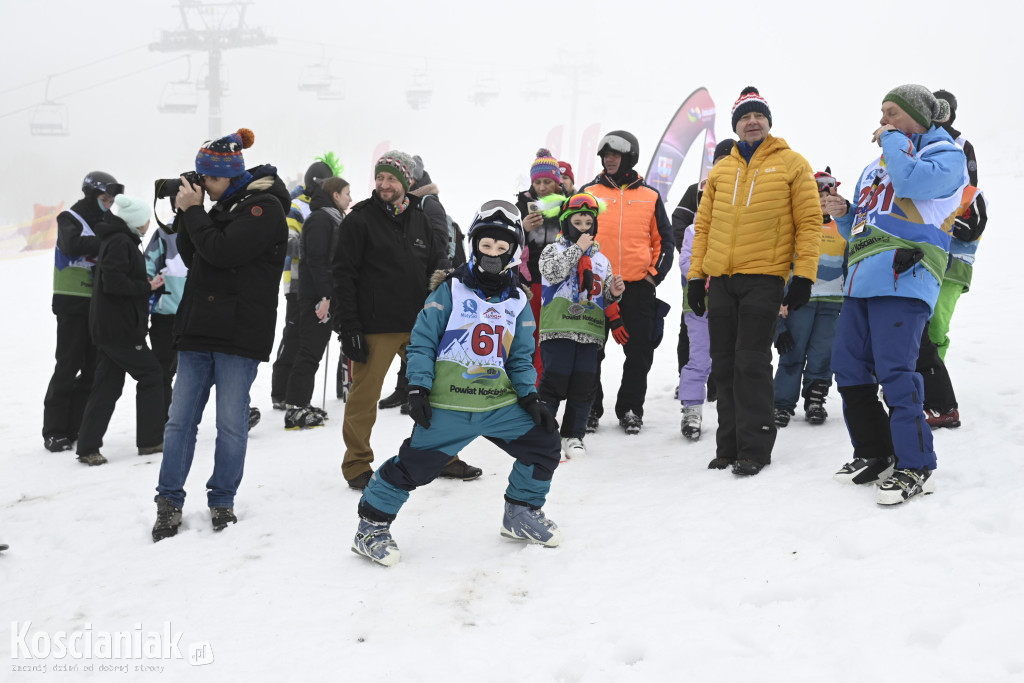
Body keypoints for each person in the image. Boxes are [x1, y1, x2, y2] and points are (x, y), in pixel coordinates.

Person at [351, 200, 562, 566]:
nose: (492, 253)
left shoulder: (518, 301)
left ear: (513, 251)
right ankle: (371, 527)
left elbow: (520, 357)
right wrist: (418, 387)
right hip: (450, 405)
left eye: (501, 247)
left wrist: (529, 397)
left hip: (498, 405)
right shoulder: (451, 290)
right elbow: (422, 341)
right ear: (475, 245)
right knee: (412, 468)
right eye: (486, 244)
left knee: (544, 444)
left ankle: (521, 512)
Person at [826, 85, 967, 505]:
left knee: (896, 371)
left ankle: (917, 465)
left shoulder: (945, 155)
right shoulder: (876, 165)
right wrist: (845, 214)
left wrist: (891, 140)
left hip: (906, 275)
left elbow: (911, 182)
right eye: (882, 113)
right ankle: (875, 451)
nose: (883, 120)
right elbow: (865, 223)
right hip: (862, 279)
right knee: (848, 367)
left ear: (917, 116)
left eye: (892, 112)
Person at [152, 128, 290, 541]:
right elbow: (195, 256)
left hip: (238, 334)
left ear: (227, 176)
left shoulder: (263, 208)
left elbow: (223, 252)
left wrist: (195, 211)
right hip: (199, 330)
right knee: (179, 423)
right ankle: (168, 502)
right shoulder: (220, 207)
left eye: (207, 178)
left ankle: (222, 500)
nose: (203, 186)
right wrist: (186, 213)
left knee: (230, 425)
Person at [687, 87, 821, 475]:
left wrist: (804, 275)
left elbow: (809, 223)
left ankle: (755, 448)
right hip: (721, 279)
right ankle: (728, 446)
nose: (752, 122)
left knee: (751, 361)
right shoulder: (720, 170)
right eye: (745, 116)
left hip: (764, 276)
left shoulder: (792, 163)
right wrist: (696, 277)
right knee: (724, 363)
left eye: (758, 115)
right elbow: (703, 227)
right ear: (735, 125)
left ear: (768, 122)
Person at [333, 150, 481, 491]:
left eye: (391, 178)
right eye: (380, 177)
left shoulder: (421, 219)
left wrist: (441, 315)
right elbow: (343, 275)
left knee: (438, 391)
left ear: (406, 181)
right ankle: (357, 464)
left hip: (418, 325)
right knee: (364, 398)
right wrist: (349, 327)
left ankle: (443, 457)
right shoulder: (360, 220)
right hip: (375, 326)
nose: (384, 184)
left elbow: (436, 269)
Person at [581, 130, 674, 434]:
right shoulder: (589, 192)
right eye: (605, 155)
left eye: (615, 155)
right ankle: (589, 408)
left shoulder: (650, 196)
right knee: (590, 351)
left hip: (636, 288)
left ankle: (631, 409)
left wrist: (652, 277)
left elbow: (664, 242)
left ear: (629, 157)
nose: (609, 160)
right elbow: (571, 234)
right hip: (595, 288)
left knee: (639, 353)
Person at [75, 195, 165, 465]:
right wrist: (145, 287)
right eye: (145, 220)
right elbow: (113, 282)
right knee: (152, 375)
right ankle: (151, 441)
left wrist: (142, 283)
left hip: (111, 326)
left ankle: (88, 447)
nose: (148, 224)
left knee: (107, 387)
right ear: (135, 222)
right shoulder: (120, 242)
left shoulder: (119, 240)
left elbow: (115, 278)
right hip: (120, 328)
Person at [919, 89, 988, 429]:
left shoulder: (963, 152)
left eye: (946, 109)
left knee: (936, 327)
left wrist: (947, 219)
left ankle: (935, 393)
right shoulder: (917, 145)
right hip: (922, 259)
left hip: (953, 263)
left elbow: (972, 220)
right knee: (916, 324)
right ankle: (919, 385)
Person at [537, 192, 625, 459]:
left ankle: (574, 435)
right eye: (577, 223)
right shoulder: (553, 250)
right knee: (554, 381)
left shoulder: (602, 260)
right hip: (558, 328)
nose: (584, 228)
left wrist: (614, 292)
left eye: (588, 223)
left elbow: (603, 297)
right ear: (566, 223)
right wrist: (577, 249)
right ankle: (542, 434)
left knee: (585, 385)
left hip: (589, 331)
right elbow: (552, 273)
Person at [42, 171, 123, 453]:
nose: (108, 204)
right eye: (104, 199)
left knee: (91, 370)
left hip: (98, 305)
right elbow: (72, 244)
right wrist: (108, 238)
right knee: (67, 366)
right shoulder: (70, 218)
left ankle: (74, 426)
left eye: (111, 200)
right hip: (72, 302)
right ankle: (54, 431)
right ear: (90, 195)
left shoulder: (108, 221)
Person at [378, 154, 456, 412]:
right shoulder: (402, 202)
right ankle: (403, 389)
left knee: (419, 336)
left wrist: (433, 278)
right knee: (408, 336)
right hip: (403, 281)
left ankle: (416, 390)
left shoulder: (428, 202)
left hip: (425, 280)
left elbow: (440, 242)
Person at [773, 169, 847, 427]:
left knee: (822, 354)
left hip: (833, 302)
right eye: (818, 196)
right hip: (799, 300)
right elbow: (782, 264)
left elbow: (850, 263)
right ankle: (782, 404)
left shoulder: (843, 226)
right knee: (792, 352)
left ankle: (815, 400)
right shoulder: (797, 225)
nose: (824, 201)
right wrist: (780, 300)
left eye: (828, 196)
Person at [283, 175, 351, 429]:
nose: (350, 199)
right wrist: (324, 297)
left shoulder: (330, 217)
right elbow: (316, 260)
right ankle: (294, 408)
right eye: (347, 193)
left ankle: (302, 401)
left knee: (313, 350)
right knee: (309, 351)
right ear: (335, 195)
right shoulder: (320, 219)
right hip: (316, 296)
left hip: (324, 294)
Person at [271, 156, 338, 409]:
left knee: (307, 339)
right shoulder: (297, 206)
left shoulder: (325, 207)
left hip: (315, 282)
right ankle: (280, 392)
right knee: (294, 336)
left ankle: (294, 394)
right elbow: (286, 242)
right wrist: (316, 245)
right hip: (298, 283)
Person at [671, 139, 734, 399]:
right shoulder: (697, 189)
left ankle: (718, 384)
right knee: (691, 331)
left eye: (730, 160)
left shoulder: (745, 189)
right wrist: (693, 258)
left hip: (729, 280)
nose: (725, 165)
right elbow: (679, 221)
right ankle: (687, 380)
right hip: (695, 275)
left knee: (725, 333)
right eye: (721, 160)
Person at [515, 148, 567, 382]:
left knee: (552, 338)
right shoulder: (521, 206)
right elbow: (507, 242)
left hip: (559, 282)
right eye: (538, 182)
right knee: (529, 335)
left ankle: (545, 386)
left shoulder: (567, 205)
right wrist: (523, 229)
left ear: (557, 182)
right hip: (530, 281)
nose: (542, 187)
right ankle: (531, 386)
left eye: (548, 182)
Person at [145, 222, 188, 421]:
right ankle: (165, 421)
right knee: (164, 370)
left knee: (215, 366)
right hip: (169, 314)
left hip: (198, 314)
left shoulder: (209, 228)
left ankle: (236, 412)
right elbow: (147, 268)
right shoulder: (165, 232)